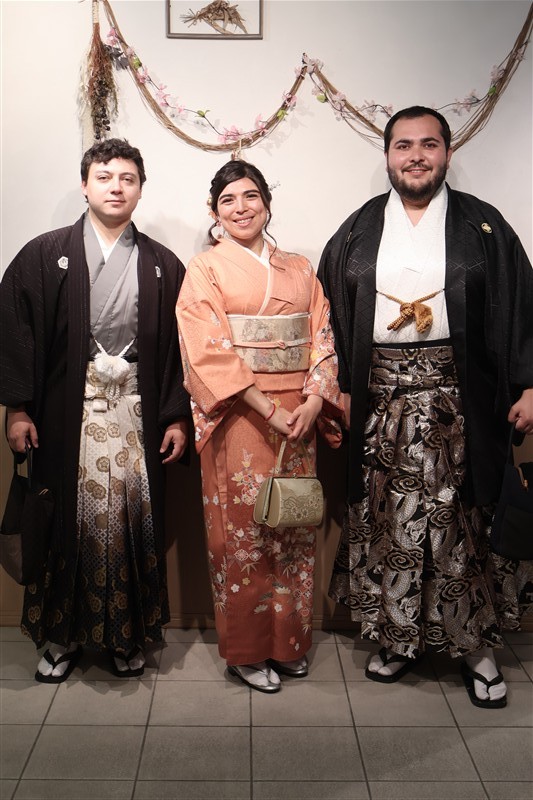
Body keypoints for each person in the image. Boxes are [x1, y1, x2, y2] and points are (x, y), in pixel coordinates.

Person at [318, 106, 533, 709]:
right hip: (378, 404)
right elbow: (328, 315)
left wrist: (529, 385)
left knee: (461, 525)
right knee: (391, 524)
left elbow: (521, 305)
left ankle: (475, 648)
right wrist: (335, 385)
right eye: (404, 145)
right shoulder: (358, 230)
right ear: (387, 155)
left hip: (460, 405)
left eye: (429, 144)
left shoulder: (484, 225)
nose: (416, 156)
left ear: (447, 153)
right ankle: (398, 639)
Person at [0, 138, 190, 682]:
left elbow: (180, 350)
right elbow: (16, 333)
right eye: (104, 177)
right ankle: (62, 636)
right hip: (66, 415)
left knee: (130, 523)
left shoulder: (162, 264)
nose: (116, 187)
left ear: (140, 189)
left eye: (128, 178)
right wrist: (18, 409)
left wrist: (176, 415)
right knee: (68, 522)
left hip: (134, 414)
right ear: (85, 185)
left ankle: (125, 635)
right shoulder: (43, 255)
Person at [176, 160, 343, 693]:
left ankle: (289, 644)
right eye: (228, 200)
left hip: (299, 415)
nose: (241, 208)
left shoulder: (300, 268)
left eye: (251, 196)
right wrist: (267, 408)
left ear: (267, 204)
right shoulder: (205, 269)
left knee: (293, 527)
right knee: (241, 535)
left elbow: (323, 335)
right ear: (214, 212)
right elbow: (206, 351)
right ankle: (247, 652)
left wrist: (315, 399)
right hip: (240, 417)